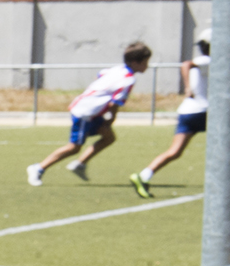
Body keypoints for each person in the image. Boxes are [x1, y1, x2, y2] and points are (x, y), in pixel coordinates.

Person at [27, 41, 153, 186]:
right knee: (74, 147)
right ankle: (38, 168)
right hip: (86, 112)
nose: (147, 65)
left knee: (109, 137)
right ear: (135, 62)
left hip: (89, 109)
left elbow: (99, 76)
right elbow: (114, 104)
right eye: (145, 62)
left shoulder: (117, 69)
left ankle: (80, 164)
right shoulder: (128, 80)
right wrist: (110, 120)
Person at [131, 36, 209, 198]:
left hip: (188, 111)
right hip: (203, 112)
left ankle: (144, 175)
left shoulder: (206, 61)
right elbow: (186, 64)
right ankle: (226, 185)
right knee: (229, 147)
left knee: (175, 152)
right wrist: (187, 87)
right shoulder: (207, 60)